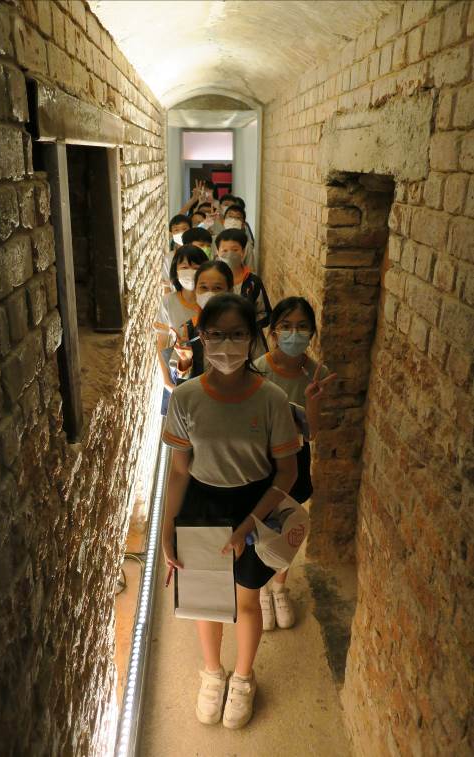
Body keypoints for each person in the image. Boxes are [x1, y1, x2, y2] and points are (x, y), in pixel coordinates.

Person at [162, 293, 300, 729]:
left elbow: (286, 474)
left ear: (253, 339)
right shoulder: (185, 399)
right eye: (216, 335)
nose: (226, 345)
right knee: (207, 601)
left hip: (256, 506)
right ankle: (212, 674)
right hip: (204, 505)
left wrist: (246, 527)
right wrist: (168, 529)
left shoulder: (271, 399)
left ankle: (243, 677)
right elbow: (180, 473)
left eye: (237, 335)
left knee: (246, 599)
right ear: (201, 337)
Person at [254, 297, 337, 630]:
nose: (294, 332)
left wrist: (310, 403)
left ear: (312, 333)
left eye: (302, 326)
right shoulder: (257, 369)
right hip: (259, 461)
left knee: (288, 524)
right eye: (286, 326)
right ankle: (259, 587)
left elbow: (312, 433)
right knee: (259, 522)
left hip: (296, 460)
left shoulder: (318, 374)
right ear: (273, 333)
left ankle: (279, 587)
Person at [154, 246, 208, 411]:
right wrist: (166, 380)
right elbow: (161, 343)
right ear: (175, 271)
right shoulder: (168, 302)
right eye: (184, 268)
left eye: (196, 268)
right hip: (181, 371)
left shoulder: (211, 300)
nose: (190, 272)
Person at [172, 260, 234, 380]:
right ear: (195, 291)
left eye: (217, 288)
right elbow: (179, 382)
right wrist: (186, 361)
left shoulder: (242, 328)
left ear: (230, 291)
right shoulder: (187, 330)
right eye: (203, 287)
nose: (209, 294)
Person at [215, 229, 271, 354]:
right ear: (217, 252)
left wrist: (245, 325)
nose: (230, 254)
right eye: (224, 250)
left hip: (251, 345)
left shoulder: (252, 282)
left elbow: (265, 314)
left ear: (243, 252)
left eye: (235, 250)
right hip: (218, 344)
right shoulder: (212, 282)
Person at [164, 215, 192, 289]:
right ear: (171, 233)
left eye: (184, 229)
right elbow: (166, 285)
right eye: (176, 230)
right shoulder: (168, 258)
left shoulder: (198, 253)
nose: (181, 232)